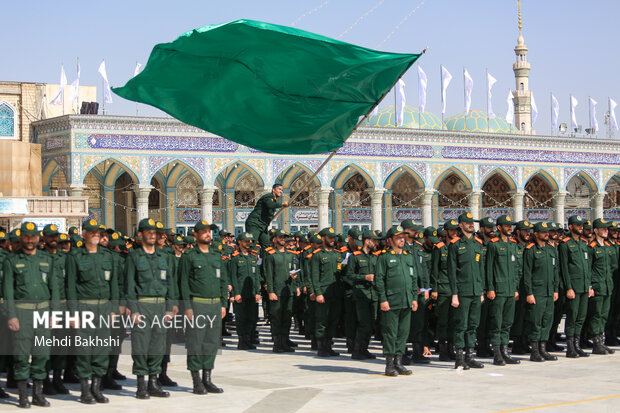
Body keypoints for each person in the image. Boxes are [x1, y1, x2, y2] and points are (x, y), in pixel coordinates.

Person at [3, 222, 59, 408]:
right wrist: (11, 315)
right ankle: (22, 396)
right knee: (21, 355)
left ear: (38, 238)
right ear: (21, 238)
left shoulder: (46, 259)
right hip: (22, 312)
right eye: (26, 236)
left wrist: (54, 314)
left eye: (32, 236)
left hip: (43, 311)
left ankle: (38, 394)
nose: (29, 240)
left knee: (41, 355)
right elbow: (8, 291)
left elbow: (54, 289)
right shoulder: (12, 260)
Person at [66, 219, 119, 404]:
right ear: (84, 234)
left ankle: (96, 388)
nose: (96, 234)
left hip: (104, 308)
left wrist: (113, 309)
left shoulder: (107, 256)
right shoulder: (75, 256)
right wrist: (72, 313)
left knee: (101, 349)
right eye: (92, 231)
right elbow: (70, 286)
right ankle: (84, 390)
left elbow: (113, 285)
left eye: (98, 232)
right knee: (84, 350)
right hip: (84, 308)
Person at [125, 218, 177, 399]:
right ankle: (141, 384)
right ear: (140, 235)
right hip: (142, 304)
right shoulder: (134, 257)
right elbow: (129, 286)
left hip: (161, 306)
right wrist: (133, 310)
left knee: (158, 344)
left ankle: (153, 382)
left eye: (154, 232)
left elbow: (170, 284)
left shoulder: (164, 257)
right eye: (148, 232)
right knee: (140, 344)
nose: (153, 235)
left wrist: (170, 307)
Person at [178, 220, 227, 395]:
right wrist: (187, 307)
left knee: (211, 343)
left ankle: (207, 379)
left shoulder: (216, 256)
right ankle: (196, 381)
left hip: (215, 306)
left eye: (210, 231)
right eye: (204, 231)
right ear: (196, 235)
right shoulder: (189, 256)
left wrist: (223, 304)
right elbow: (183, 283)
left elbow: (223, 281)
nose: (208, 234)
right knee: (195, 343)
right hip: (197, 305)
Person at [375, 225, 418, 376]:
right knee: (390, 333)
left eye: (403, 237)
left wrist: (414, 298)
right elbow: (379, 280)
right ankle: (389, 364)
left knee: (403, 333)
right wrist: (383, 299)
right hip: (391, 301)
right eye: (398, 237)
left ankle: (399, 362)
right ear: (390, 240)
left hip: (406, 300)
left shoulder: (408, 256)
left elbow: (413, 279)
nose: (402, 239)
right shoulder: (385, 257)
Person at [447, 212, 485, 370]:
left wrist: (482, 291)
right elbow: (452, 271)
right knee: (461, 325)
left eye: (472, 222)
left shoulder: (478, 244)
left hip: (476, 291)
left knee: (473, 324)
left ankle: (470, 356)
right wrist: (454, 293)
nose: (471, 225)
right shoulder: (455, 245)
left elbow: (481, 269)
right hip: (462, 291)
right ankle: (459, 357)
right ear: (460, 225)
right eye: (468, 223)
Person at [485, 216, 520, 366]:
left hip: (510, 290)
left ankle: (505, 352)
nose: (509, 228)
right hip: (498, 290)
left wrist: (516, 288)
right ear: (499, 228)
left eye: (510, 226)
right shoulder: (493, 245)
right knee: (497, 323)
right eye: (506, 226)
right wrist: (490, 288)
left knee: (507, 322)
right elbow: (488, 269)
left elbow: (516, 269)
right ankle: (497, 353)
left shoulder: (513, 245)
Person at [523, 222, 559, 362]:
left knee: (547, 321)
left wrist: (555, 289)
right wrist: (529, 292)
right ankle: (535, 350)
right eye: (543, 232)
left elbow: (555, 271)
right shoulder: (531, 250)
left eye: (547, 231)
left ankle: (543, 349)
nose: (546, 234)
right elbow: (527, 273)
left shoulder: (551, 249)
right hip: (537, 291)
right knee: (536, 321)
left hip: (549, 291)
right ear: (536, 234)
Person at [559, 215, 593, 358]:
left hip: (584, 286)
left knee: (581, 317)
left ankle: (577, 345)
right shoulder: (565, 244)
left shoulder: (584, 244)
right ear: (571, 226)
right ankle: (570, 346)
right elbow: (564, 268)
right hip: (573, 287)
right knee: (572, 317)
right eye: (578, 225)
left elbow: (587, 267)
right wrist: (568, 288)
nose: (581, 227)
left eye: (582, 225)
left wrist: (589, 286)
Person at [345, 230, 380, 360]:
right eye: (374, 241)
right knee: (364, 323)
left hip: (373, 295)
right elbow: (349, 275)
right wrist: (364, 277)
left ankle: (364, 349)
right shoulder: (355, 257)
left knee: (371, 323)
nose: (376, 243)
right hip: (361, 294)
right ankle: (357, 350)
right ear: (367, 241)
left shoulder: (375, 257)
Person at [264, 230, 300, 353]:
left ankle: (285, 341)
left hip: (288, 290)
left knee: (286, 317)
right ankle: (277, 343)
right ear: (274, 239)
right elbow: (268, 275)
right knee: (277, 318)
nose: (283, 239)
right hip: (277, 291)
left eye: (284, 237)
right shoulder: (271, 255)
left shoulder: (290, 254)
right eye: (280, 237)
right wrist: (271, 291)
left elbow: (295, 270)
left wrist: (296, 283)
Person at [310, 227, 343, 357]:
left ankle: (328, 345)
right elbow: (315, 276)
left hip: (335, 293)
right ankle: (321, 347)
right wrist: (318, 293)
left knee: (333, 320)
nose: (332, 240)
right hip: (323, 293)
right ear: (323, 238)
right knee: (322, 321)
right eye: (330, 238)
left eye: (333, 238)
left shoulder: (337, 254)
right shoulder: (318, 255)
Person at [587, 219, 616, 355]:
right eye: (603, 228)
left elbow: (611, 267)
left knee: (604, 315)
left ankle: (601, 341)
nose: (606, 230)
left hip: (607, 285)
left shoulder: (607, 248)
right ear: (596, 230)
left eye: (606, 229)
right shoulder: (592, 247)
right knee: (596, 315)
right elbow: (588, 269)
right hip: (597, 287)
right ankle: (596, 343)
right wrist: (590, 286)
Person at [431, 220, 459, 361]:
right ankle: (442, 350)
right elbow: (434, 270)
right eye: (452, 230)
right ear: (446, 232)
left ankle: (451, 348)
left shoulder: (459, 246)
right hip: (442, 288)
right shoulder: (440, 248)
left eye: (456, 230)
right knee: (443, 321)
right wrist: (434, 289)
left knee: (454, 320)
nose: (454, 232)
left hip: (455, 289)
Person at [229, 232, 260, 350]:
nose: (248, 243)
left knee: (252, 317)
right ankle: (242, 341)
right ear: (240, 242)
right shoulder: (235, 258)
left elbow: (256, 275)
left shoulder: (253, 257)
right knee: (241, 318)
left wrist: (257, 291)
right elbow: (233, 277)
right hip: (240, 293)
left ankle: (248, 339)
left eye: (249, 241)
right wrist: (235, 293)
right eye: (246, 241)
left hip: (251, 293)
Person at [245, 184, 289, 248]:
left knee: (266, 245)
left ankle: (266, 257)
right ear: (273, 190)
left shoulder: (274, 200)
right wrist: (282, 204)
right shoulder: (268, 197)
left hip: (263, 225)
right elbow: (269, 205)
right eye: (279, 189)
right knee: (251, 244)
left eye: (282, 190)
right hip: (255, 223)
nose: (281, 191)